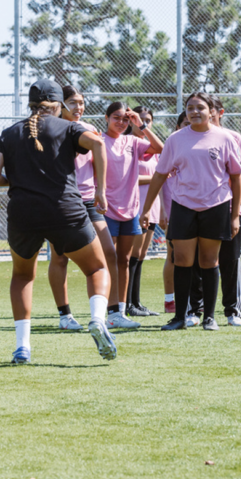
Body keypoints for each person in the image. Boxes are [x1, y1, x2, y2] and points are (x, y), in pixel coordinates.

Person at [0, 79, 117, 364]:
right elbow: (97, 144)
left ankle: (23, 347)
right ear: (59, 105)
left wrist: (16, 182)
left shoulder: (9, 133)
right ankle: (97, 320)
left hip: (22, 215)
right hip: (65, 211)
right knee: (96, 268)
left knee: (22, 276)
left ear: (30, 105)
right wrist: (102, 192)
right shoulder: (69, 127)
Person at [140, 92, 241, 331]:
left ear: (211, 111)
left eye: (200, 107)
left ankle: (209, 317)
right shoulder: (175, 139)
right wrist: (147, 209)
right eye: (190, 108)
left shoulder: (225, 138)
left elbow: (235, 176)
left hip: (216, 206)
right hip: (183, 206)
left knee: (209, 261)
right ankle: (181, 316)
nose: (194, 112)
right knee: (182, 260)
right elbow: (160, 174)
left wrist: (234, 214)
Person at [46, 85, 121, 331]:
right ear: (60, 103)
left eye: (81, 102)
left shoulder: (89, 130)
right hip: (60, 201)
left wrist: (101, 191)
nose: (78, 107)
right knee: (60, 257)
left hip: (88, 200)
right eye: (73, 102)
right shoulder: (50, 129)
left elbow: (98, 159)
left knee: (108, 251)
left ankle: (111, 312)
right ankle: (64, 315)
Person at [101, 101, 163, 328]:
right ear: (106, 117)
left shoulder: (133, 141)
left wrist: (142, 125)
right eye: (116, 117)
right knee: (107, 260)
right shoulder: (97, 140)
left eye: (125, 119)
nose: (121, 122)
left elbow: (160, 149)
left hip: (130, 210)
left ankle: (121, 311)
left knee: (124, 260)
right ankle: (105, 311)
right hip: (105, 210)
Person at [210, 97, 241, 327]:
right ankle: (196, 311)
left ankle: (233, 310)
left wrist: (234, 185)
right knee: (200, 261)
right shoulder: (189, 137)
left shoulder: (234, 138)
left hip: (228, 206)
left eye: (210, 110)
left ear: (219, 112)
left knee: (230, 259)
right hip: (202, 208)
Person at [128, 105, 160, 317]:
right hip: (135, 207)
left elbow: (162, 174)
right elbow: (128, 177)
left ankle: (136, 302)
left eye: (147, 120)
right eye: (139, 119)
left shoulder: (150, 147)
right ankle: (127, 303)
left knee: (141, 257)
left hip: (152, 208)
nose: (143, 123)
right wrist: (157, 178)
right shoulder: (129, 145)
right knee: (131, 257)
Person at [161, 112, 187, 315]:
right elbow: (160, 178)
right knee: (173, 256)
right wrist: (162, 210)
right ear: (178, 126)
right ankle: (170, 300)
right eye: (185, 123)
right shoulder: (172, 145)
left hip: (195, 208)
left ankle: (194, 300)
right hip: (174, 209)